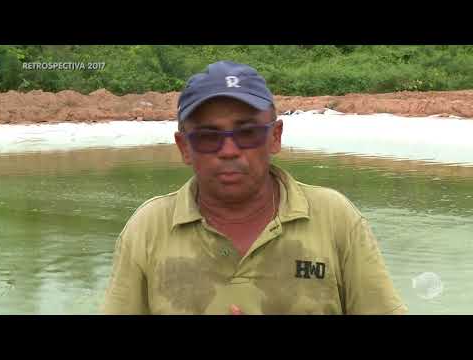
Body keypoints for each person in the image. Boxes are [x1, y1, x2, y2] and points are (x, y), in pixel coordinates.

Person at [102, 61, 408, 315]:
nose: (229, 150)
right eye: (209, 136)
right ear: (184, 147)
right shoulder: (148, 229)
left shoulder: (335, 219)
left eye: (247, 132)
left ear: (275, 136)